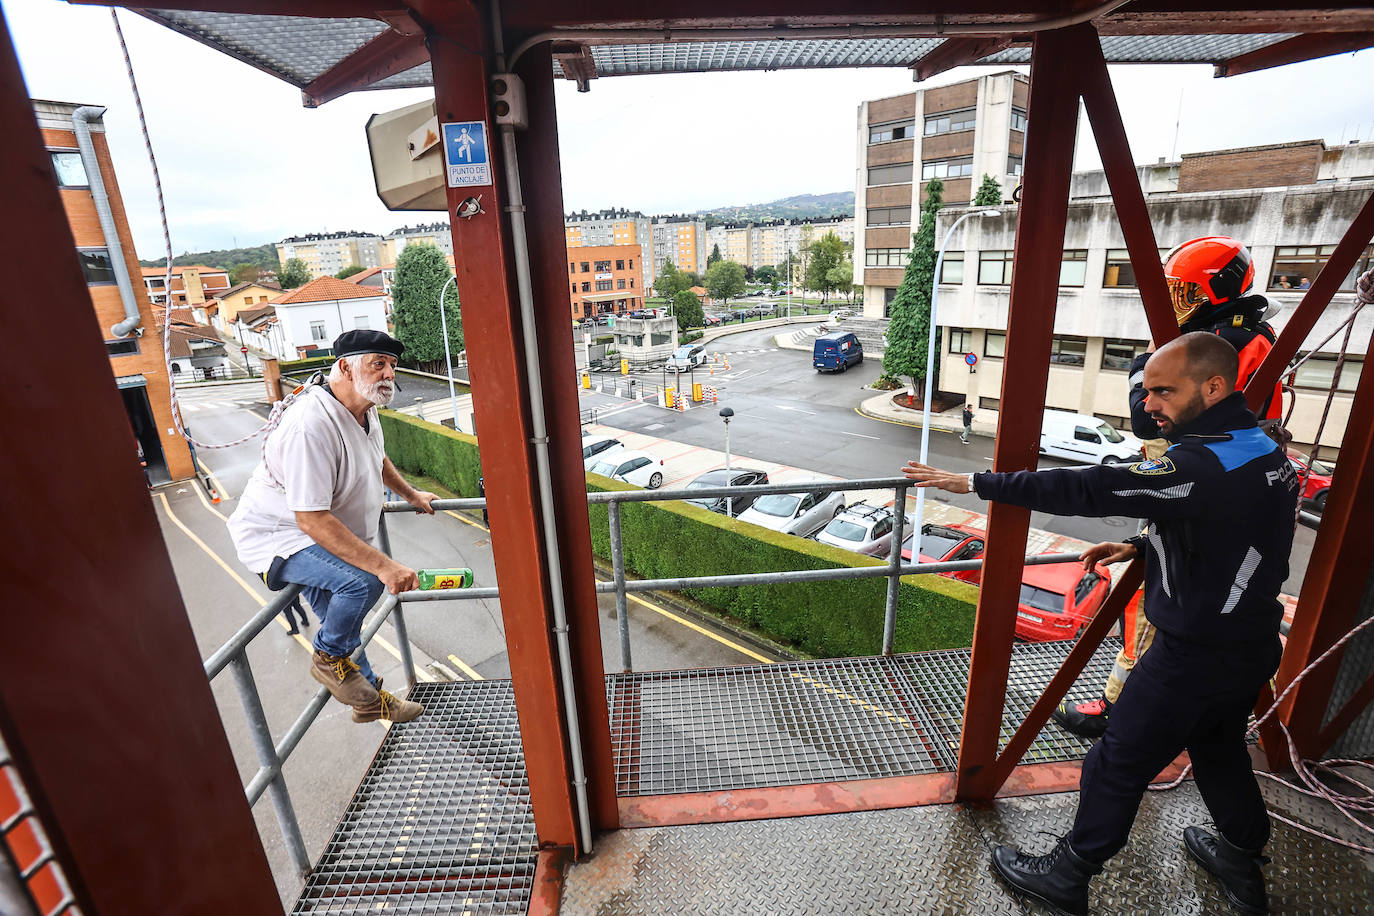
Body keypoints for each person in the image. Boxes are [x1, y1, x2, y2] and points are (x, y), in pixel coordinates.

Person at [903, 332, 1299, 916]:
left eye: (1163, 391)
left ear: (1213, 387)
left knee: (1115, 762)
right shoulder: (1259, 448)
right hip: (1249, 644)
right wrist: (1143, 544)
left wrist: (976, 483)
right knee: (1218, 749)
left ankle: (1069, 874)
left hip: (1195, 655)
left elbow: (1091, 485)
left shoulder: (1200, 463)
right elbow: (1229, 528)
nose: (1150, 405)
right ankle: (1241, 858)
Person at [1055, 235, 1286, 740]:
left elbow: (1146, 422)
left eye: (1185, 293)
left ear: (1217, 290)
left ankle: (1126, 714)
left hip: (1198, 487)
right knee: (1181, 593)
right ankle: (1150, 707)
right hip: (1220, 488)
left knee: (1163, 597)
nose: (1175, 305)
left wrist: (1143, 369)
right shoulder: (1247, 338)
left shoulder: (1225, 347)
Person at [228, 329, 437, 725]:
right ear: (344, 367)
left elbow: (376, 457)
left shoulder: (363, 408)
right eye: (378, 364)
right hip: (281, 535)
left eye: (392, 365)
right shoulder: (310, 426)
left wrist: (411, 495)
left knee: (345, 624)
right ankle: (327, 659)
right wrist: (384, 566)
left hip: (317, 531)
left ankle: (368, 700)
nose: (389, 374)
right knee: (362, 582)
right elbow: (309, 518)